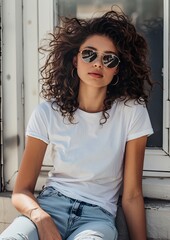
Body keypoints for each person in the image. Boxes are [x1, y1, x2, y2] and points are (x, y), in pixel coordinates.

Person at [1, 7, 153, 240]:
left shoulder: (131, 112)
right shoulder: (47, 112)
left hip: (97, 217)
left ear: (117, 69)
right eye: (89, 54)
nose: (98, 63)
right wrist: (41, 218)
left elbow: (131, 194)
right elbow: (21, 191)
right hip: (50, 207)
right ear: (75, 58)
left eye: (108, 58)